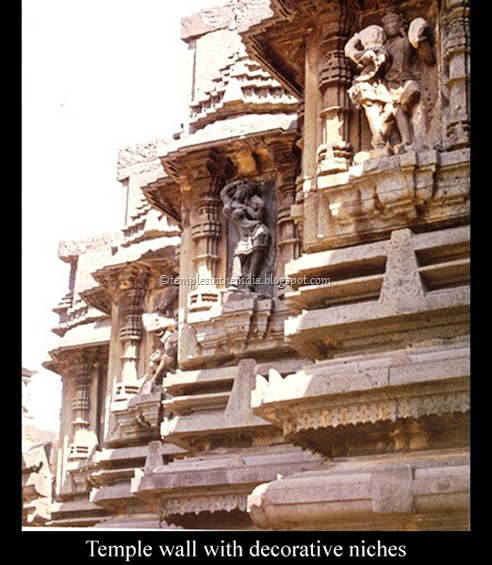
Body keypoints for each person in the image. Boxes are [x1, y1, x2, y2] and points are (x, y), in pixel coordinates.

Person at [221, 180, 271, 291]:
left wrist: (260, 205)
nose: (241, 194)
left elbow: (258, 217)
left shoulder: (246, 207)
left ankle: (250, 285)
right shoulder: (229, 204)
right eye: (240, 191)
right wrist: (236, 183)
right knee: (238, 256)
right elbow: (223, 192)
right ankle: (234, 283)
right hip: (244, 234)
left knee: (255, 260)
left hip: (258, 230)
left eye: (244, 192)